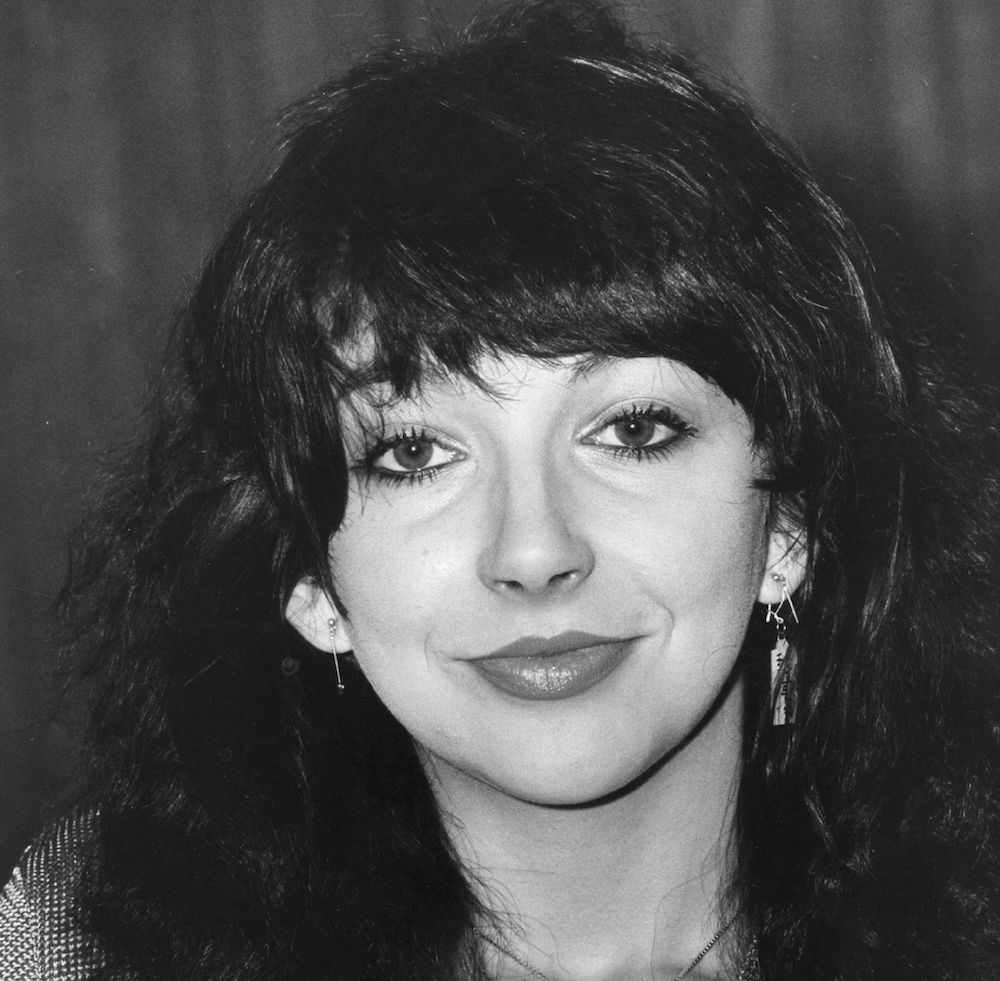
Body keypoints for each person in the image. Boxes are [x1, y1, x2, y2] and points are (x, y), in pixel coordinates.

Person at [2, 1, 998, 978]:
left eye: (633, 430)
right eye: (413, 453)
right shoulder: (70, 951)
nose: (533, 552)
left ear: (789, 522)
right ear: (307, 574)